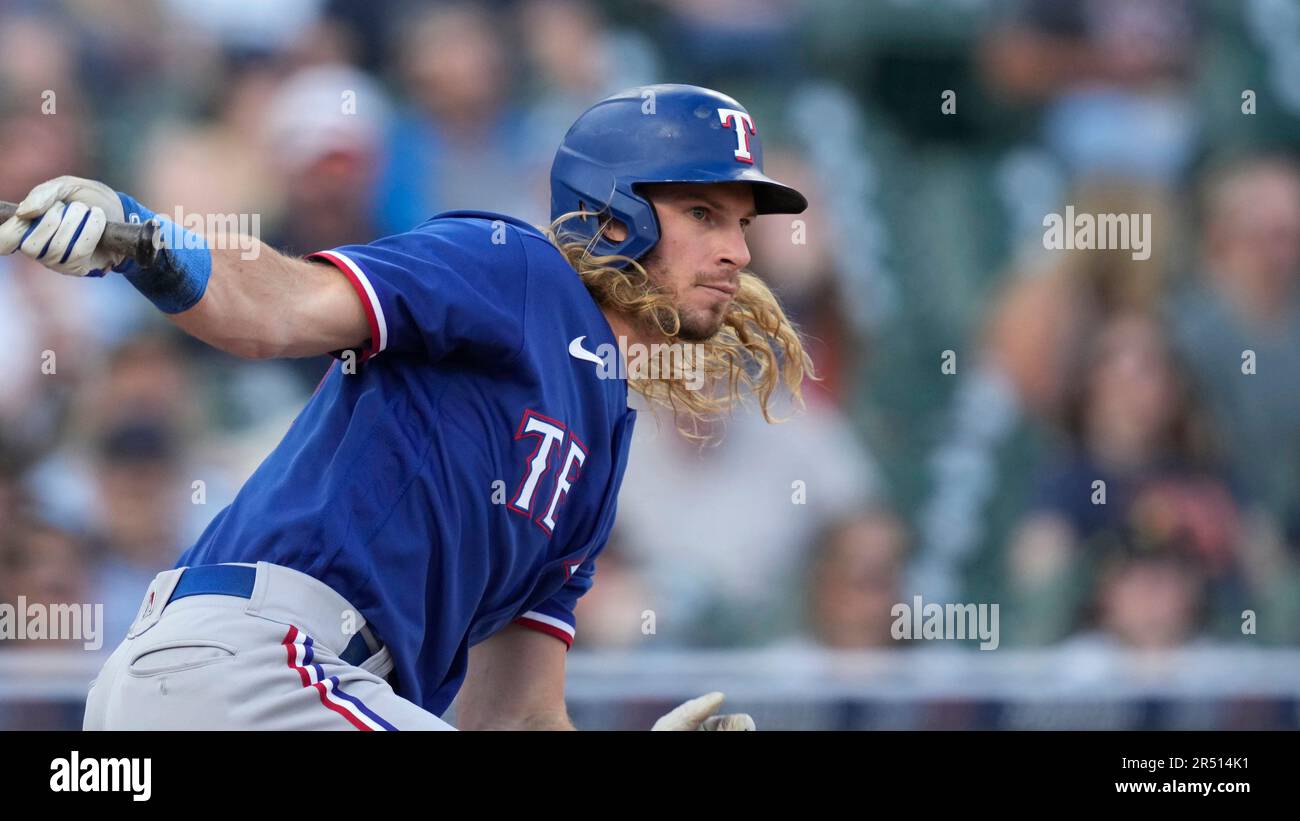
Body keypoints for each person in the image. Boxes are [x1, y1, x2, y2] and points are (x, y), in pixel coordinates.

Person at [0, 84, 811, 730]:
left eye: (739, 224)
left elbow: (515, 715)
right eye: (703, 214)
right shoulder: (515, 271)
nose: (737, 251)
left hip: (264, 687)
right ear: (615, 211)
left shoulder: (602, 437)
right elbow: (279, 306)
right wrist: (145, 239)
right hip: (256, 667)